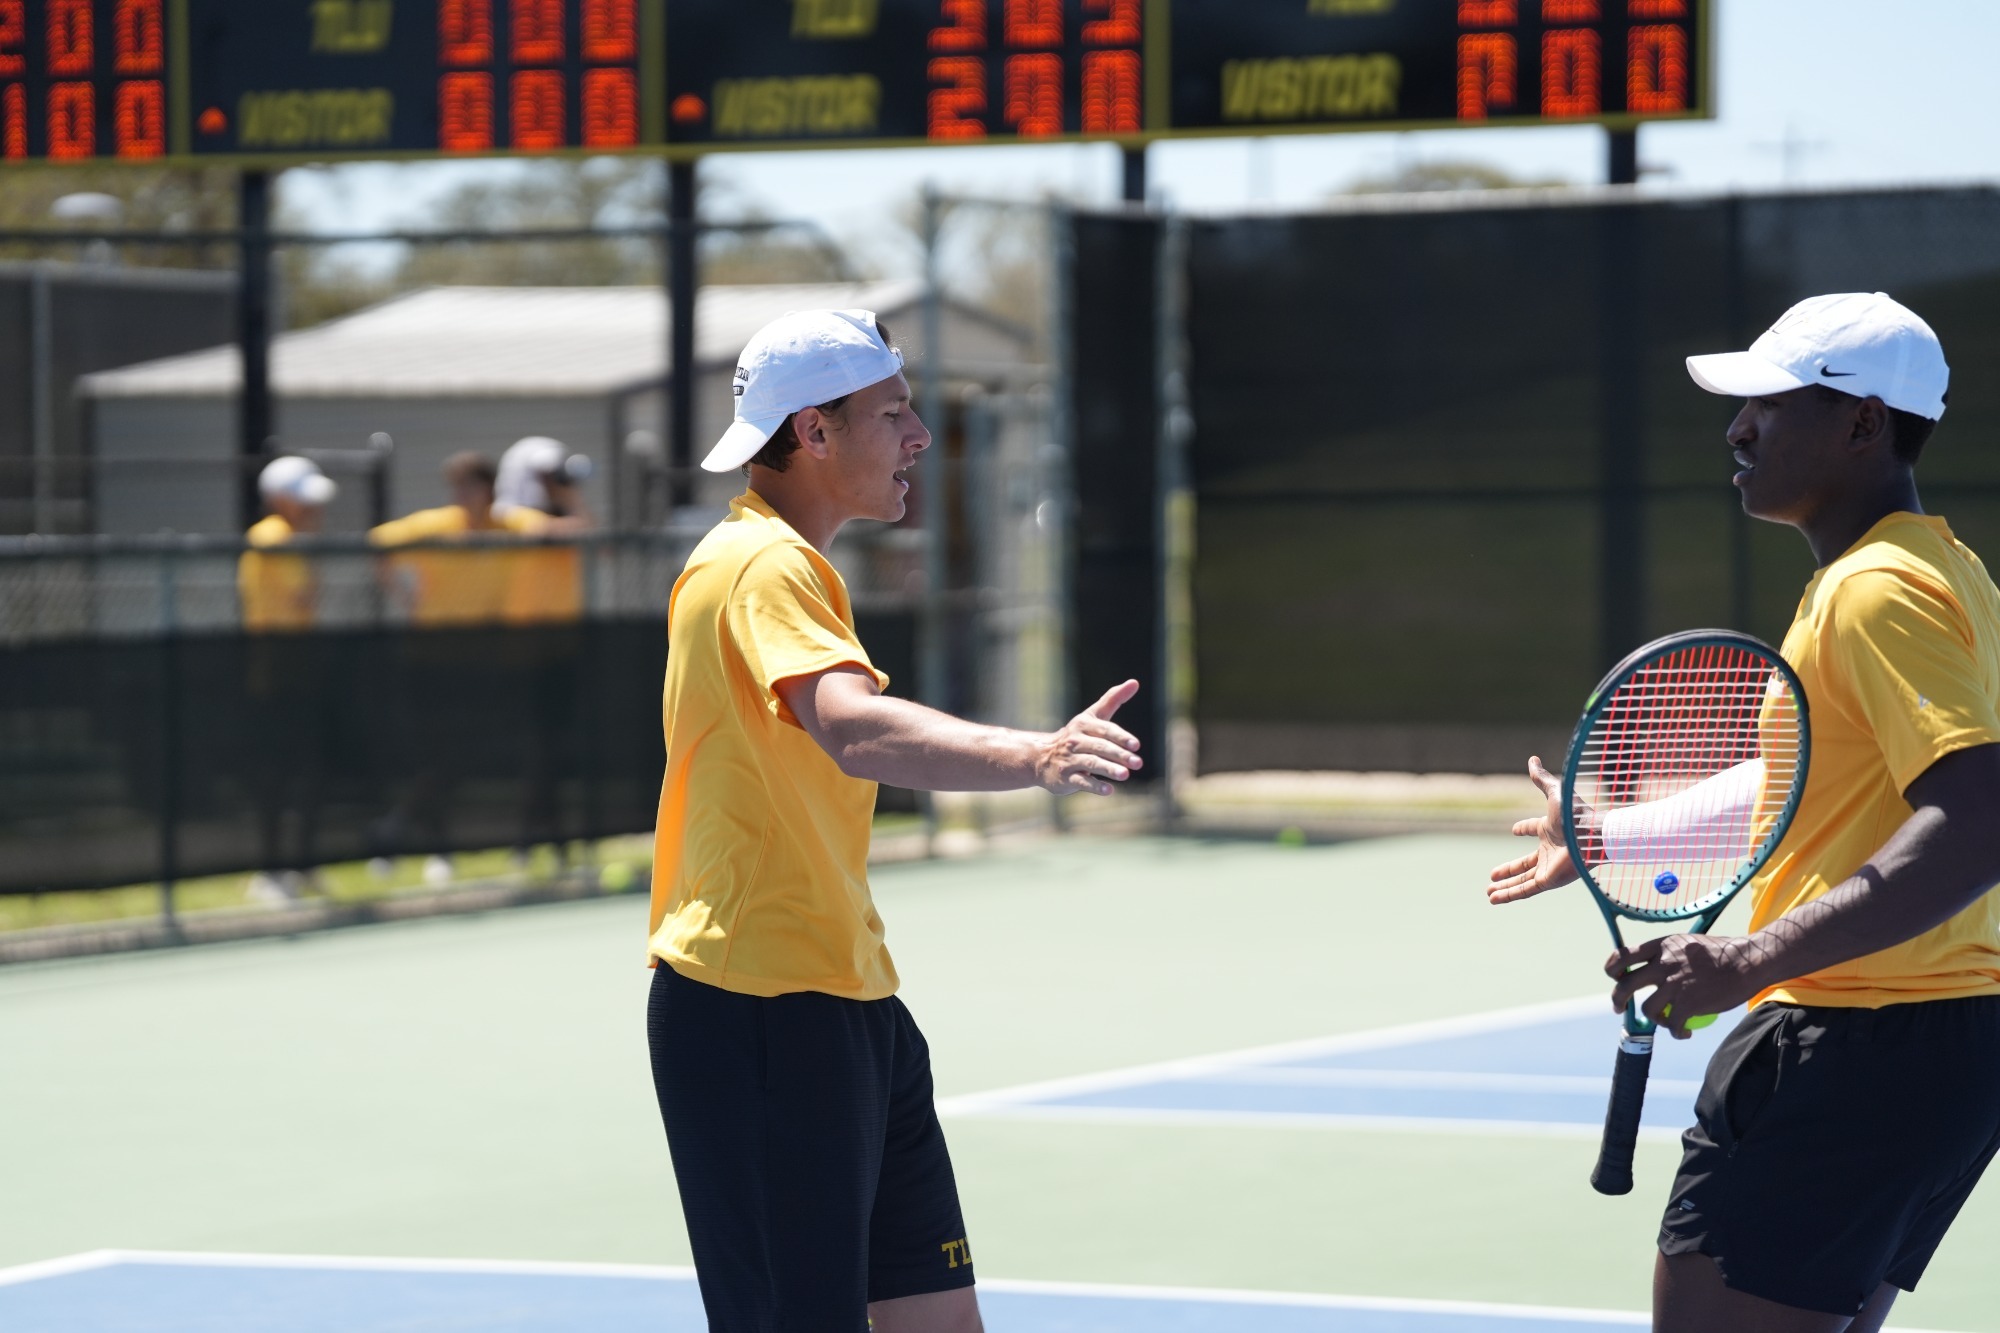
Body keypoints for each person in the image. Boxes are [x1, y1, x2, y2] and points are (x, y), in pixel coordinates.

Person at [1488, 293, 2000, 1333]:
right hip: (1936, 1047)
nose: (1736, 428)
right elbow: (1807, 782)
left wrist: (1747, 958)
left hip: (1851, 1048)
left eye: (1767, 402)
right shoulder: (1940, 573)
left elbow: (1979, 816)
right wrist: (1607, 838)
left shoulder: (1873, 591)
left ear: (1860, 422)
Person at [646, 309, 1143, 1333]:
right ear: (814, 434)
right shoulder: (759, 565)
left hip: (848, 997)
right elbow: (853, 728)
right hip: (758, 1008)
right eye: (893, 412)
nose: (918, 435)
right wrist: (1034, 754)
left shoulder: (793, 567)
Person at [370, 451, 548, 626]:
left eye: (470, 485)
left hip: (492, 633)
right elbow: (377, 541)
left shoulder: (507, 523)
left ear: (489, 488)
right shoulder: (435, 524)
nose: (462, 493)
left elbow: (546, 528)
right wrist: (406, 598)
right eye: (457, 485)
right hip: (439, 632)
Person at [494, 435, 595, 625]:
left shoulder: (565, 515)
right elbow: (541, 530)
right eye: (545, 477)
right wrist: (568, 498)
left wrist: (569, 498)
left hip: (562, 621)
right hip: (522, 622)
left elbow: (599, 543)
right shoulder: (509, 513)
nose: (552, 483)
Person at [239, 455, 336, 633]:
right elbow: (303, 597)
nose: (312, 508)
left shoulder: (286, 533)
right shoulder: (275, 532)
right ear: (279, 500)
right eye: (302, 500)